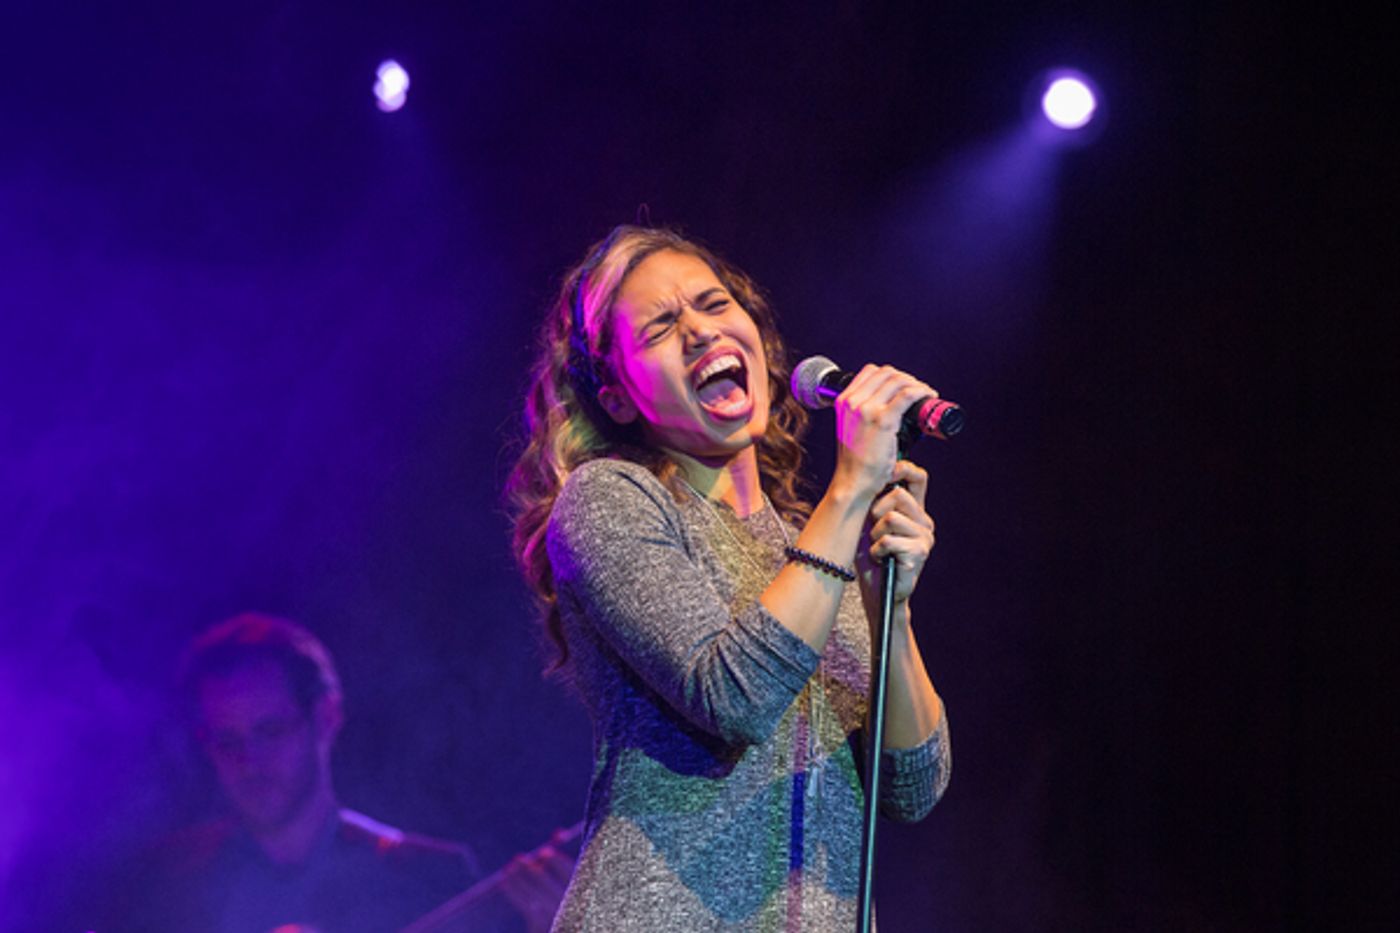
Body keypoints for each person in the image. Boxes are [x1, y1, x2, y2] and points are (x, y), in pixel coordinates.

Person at [506, 225, 952, 930]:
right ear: (618, 398)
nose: (696, 330)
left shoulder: (812, 556)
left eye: (713, 304)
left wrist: (885, 600)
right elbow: (735, 693)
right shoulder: (610, 499)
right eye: (659, 327)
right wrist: (849, 491)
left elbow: (912, 785)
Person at [108, 613, 571, 933]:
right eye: (227, 741)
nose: (249, 759)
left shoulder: (428, 877)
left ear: (326, 717)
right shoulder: (167, 883)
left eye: (271, 729)